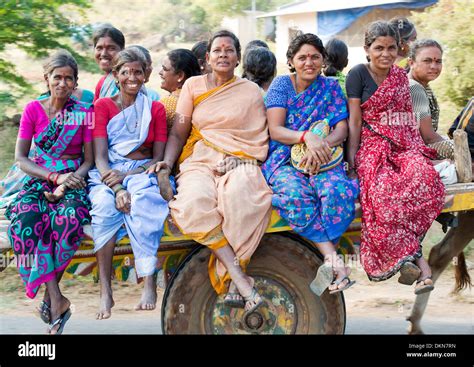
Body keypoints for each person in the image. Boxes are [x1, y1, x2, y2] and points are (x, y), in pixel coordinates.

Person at [147, 30, 272, 312]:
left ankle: (233, 279)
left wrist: (243, 160)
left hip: (240, 160)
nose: (223, 55)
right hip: (200, 158)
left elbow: (258, 137)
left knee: (245, 197)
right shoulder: (192, 86)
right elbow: (179, 133)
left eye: (229, 51)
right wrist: (167, 163)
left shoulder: (251, 91)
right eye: (217, 50)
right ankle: (239, 277)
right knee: (192, 204)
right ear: (207, 58)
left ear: (238, 58)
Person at [345, 21, 445, 294]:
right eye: (379, 48)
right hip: (371, 146)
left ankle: (411, 256)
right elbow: (355, 121)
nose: (385, 54)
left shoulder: (402, 79)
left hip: (403, 144)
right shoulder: (357, 75)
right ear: (367, 49)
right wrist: (352, 161)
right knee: (383, 189)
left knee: (424, 177)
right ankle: (417, 263)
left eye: (391, 48)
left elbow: (407, 124)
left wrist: (415, 150)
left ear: (399, 51)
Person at [261, 33, 358, 296]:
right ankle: (334, 261)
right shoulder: (282, 85)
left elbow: (342, 128)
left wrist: (322, 147)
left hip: (325, 157)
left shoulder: (330, 88)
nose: (309, 62)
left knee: (337, 191)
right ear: (291, 61)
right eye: (302, 57)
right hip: (285, 158)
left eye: (315, 56)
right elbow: (276, 130)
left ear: (323, 60)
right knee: (295, 194)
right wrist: (307, 138)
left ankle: (329, 263)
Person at [5, 50, 94, 334]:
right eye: (57, 77)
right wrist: (53, 177)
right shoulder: (32, 109)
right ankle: (57, 298)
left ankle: (52, 299)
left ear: (75, 82)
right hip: (38, 178)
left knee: (67, 220)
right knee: (25, 223)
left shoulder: (85, 113)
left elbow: (89, 160)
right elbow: (22, 158)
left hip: (73, 181)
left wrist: (66, 183)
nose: (63, 83)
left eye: (69, 79)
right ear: (47, 79)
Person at [88, 48, 169, 319]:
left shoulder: (154, 108)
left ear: (146, 75)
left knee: (144, 200)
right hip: (108, 171)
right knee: (102, 206)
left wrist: (129, 178)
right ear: (115, 75)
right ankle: (105, 291)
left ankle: (148, 283)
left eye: (138, 72)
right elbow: (99, 157)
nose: (132, 77)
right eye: (126, 72)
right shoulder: (102, 106)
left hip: (141, 171)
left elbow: (157, 158)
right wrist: (117, 186)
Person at [408, 39, 454, 159]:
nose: (434, 66)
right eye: (427, 61)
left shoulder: (421, 85)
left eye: (438, 61)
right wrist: (460, 150)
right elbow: (428, 137)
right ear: (411, 63)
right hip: (415, 153)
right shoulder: (414, 87)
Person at [158, 49, 201, 131]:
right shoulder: (202, 95)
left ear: (180, 76)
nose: (160, 72)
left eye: (164, 69)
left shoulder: (167, 104)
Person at [92, 23, 125, 101]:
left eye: (111, 48)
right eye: (99, 48)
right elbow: (96, 110)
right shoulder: (103, 81)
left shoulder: (127, 80)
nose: (103, 54)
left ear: (122, 50)